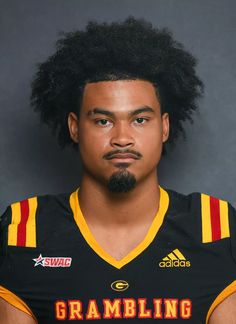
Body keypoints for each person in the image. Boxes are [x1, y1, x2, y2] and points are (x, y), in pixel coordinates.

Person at [0, 17, 235, 323]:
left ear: (164, 127)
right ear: (74, 127)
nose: (122, 138)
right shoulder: (22, 232)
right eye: (103, 121)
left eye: (140, 120)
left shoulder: (216, 228)